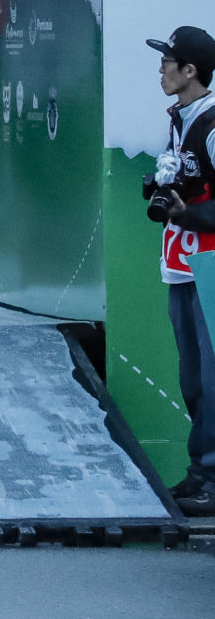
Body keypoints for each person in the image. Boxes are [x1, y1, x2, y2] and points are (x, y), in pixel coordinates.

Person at [145, 26, 215, 516]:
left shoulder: (211, 123)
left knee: (211, 382)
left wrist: (186, 213)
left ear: (190, 71)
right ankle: (201, 473)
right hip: (182, 265)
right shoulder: (180, 117)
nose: (161, 69)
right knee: (192, 381)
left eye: (167, 61)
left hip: (208, 266)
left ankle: (211, 478)